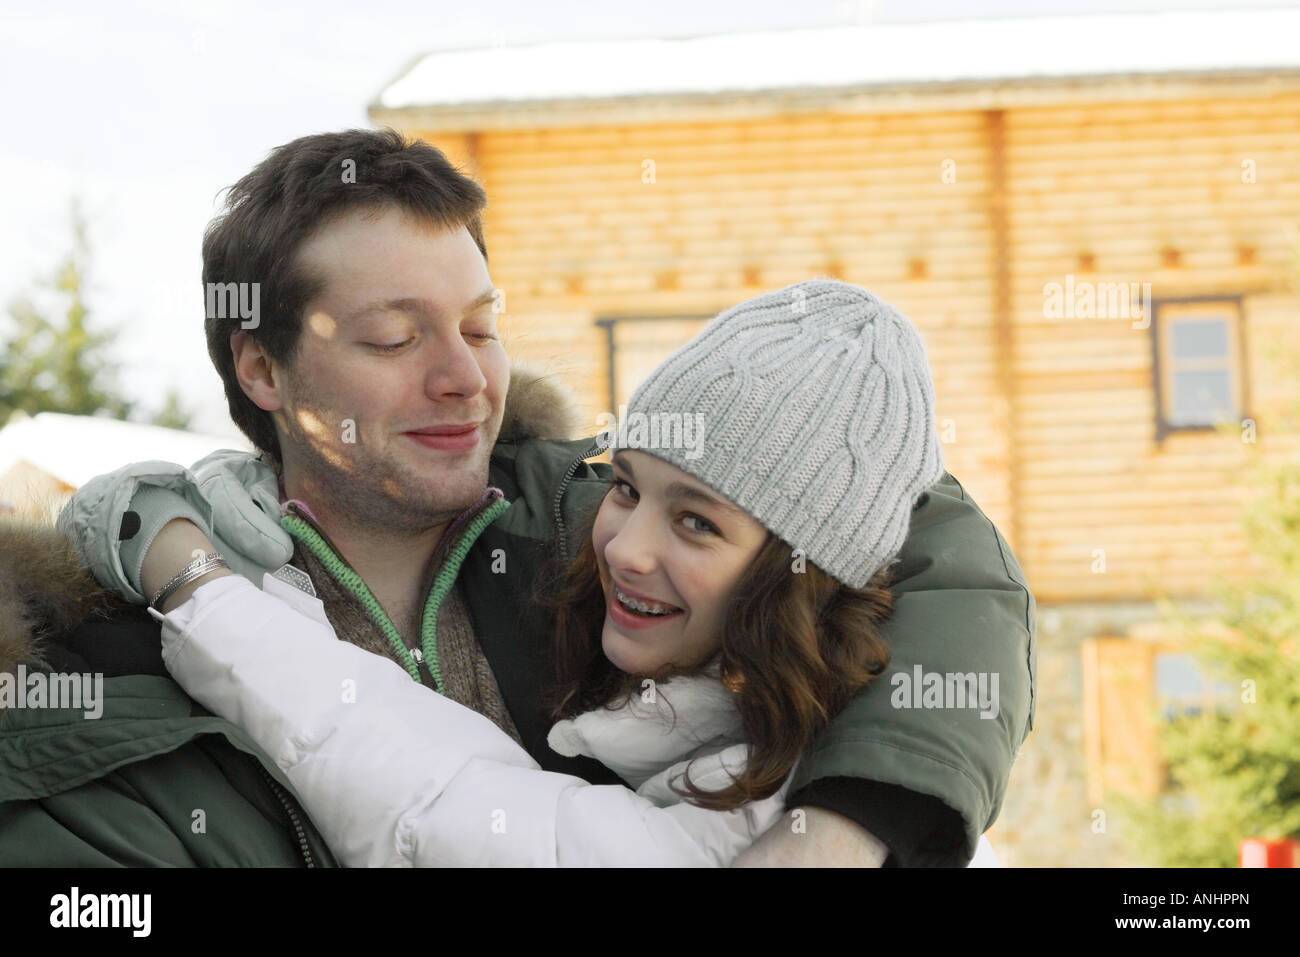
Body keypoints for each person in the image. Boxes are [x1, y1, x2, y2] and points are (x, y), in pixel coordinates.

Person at [2, 129, 1035, 867]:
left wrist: (845, 823)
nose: (465, 377)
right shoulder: (118, 645)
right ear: (262, 371)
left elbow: (931, 535)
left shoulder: (587, 514)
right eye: (394, 337)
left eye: (482, 326)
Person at [128, 279, 997, 866]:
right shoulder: (702, 708)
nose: (622, 545)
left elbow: (435, 798)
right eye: (625, 486)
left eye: (696, 520)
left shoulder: (769, 809)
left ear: (806, 574)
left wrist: (201, 594)